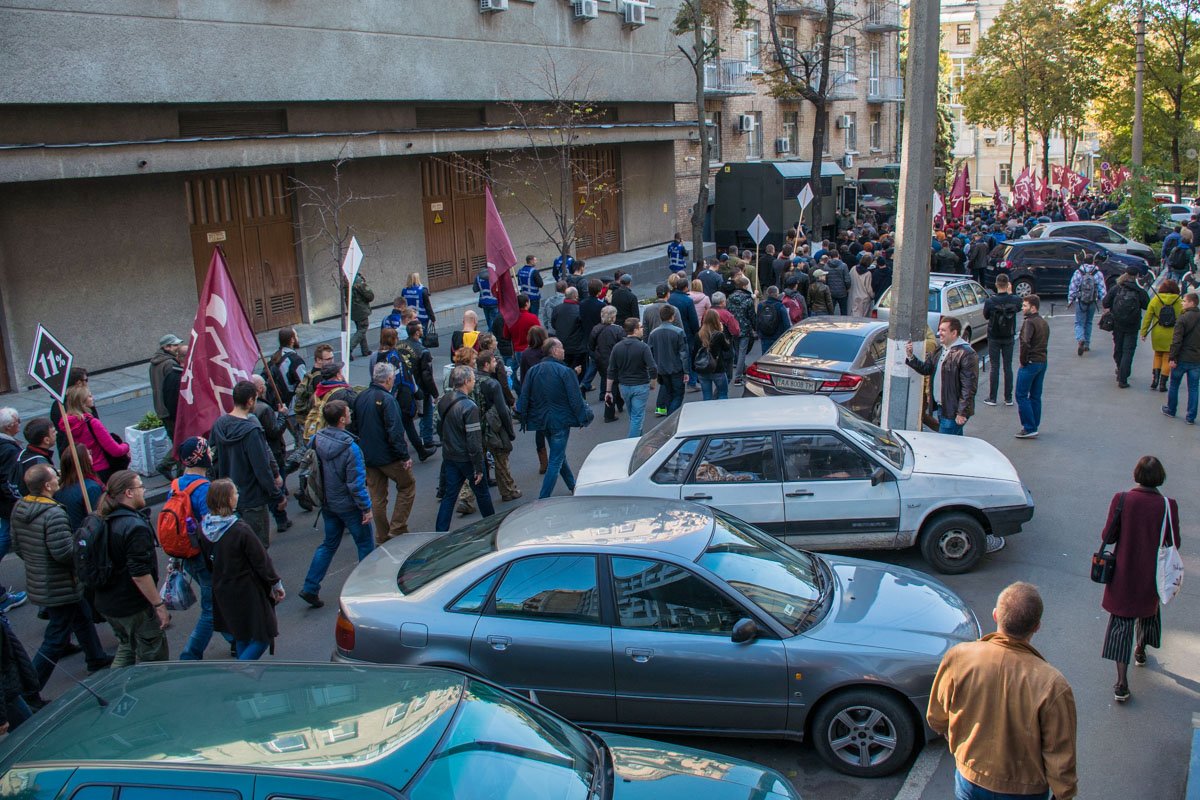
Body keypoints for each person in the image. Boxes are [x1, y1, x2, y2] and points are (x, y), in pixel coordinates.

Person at [927, 582, 1077, 800]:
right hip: (1025, 790)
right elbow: (1060, 751)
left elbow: (936, 717)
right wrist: (1064, 793)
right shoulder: (1052, 683)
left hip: (970, 778)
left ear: (996, 615)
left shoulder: (959, 657)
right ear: (1037, 626)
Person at [11, 464, 112, 686]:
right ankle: (31, 687)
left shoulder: (20, 507)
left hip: (42, 579)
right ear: (47, 485)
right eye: (54, 476)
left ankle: (96, 658)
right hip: (61, 583)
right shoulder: (53, 513)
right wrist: (83, 541)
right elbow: (64, 553)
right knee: (55, 638)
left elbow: (18, 546)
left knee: (82, 616)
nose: (58, 478)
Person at [1099, 456, 1180, 703]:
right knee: (1148, 612)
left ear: (1136, 475)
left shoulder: (1122, 499)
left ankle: (1121, 682)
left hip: (1124, 571)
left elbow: (1108, 536)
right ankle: (1141, 651)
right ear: (1160, 478)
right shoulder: (1168, 505)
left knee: (1121, 623)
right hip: (1152, 573)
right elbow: (1173, 541)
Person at [198, 479, 285, 661]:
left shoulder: (204, 528)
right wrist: (276, 584)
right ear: (228, 500)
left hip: (222, 588)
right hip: (247, 589)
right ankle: (241, 673)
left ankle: (249, 680)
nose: (238, 496)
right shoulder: (240, 529)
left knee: (241, 635)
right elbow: (261, 561)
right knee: (263, 636)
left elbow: (208, 562)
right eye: (234, 493)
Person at [299, 400, 374, 609]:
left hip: (327, 502)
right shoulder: (351, 449)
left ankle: (310, 586)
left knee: (329, 544)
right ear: (342, 419)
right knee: (365, 544)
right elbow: (356, 484)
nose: (350, 413)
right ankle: (367, 590)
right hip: (349, 505)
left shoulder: (316, 439)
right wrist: (366, 508)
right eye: (348, 412)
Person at [94, 471, 170, 666]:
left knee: (126, 646)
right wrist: (158, 604)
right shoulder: (134, 526)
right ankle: (147, 692)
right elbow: (140, 574)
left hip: (108, 601)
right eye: (140, 487)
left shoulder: (101, 518)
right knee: (153, 657)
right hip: (132, 604)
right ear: (129, 492)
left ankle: (115, 689)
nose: (143, 491)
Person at [170, 437, 227, 661]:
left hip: (187, 553)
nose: (211, 455)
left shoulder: (176, 485)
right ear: (201, 456)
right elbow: (212, 527)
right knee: (211, 609)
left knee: (216, 600)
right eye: (208, 452)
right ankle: (190, 656)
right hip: (204, 556)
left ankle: (234, 639)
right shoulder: (204, 489)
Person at [210, 380, 285, 549]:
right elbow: (261, 468)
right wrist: (277, 495)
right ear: (250, 401)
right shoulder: (252, 431)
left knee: (239, 549)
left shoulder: (219, 425)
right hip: (253, 500)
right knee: (257, 549)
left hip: (228, 498)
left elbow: (213, 461)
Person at [515, 338, 593, 499]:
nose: (564, 351)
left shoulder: (534, 371)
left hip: (542, 421)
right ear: (555, 350)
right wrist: (583, 418)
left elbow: (525, 395)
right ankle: (543, 498)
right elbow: (575, 398)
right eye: (562, 348)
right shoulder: (565, 372)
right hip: (560, 421)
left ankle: (573, 486)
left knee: (559, 456)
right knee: (556, 460)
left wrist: (521, 414)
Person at [353, 363, 415, 544]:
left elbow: (354, 427)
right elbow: (395, 430)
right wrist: (403, 455)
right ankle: (398, 528)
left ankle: (382, 535)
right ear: (388, 379)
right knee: (407, 485)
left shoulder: (361, 396)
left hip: (369, 457)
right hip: (388, 456)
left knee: (377, 496)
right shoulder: (387, 400)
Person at [436, 366, 496, 530]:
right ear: (467, 381)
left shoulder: (445, 400)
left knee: (449, 496)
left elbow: (439, 427)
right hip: (467, 458)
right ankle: (492, 527)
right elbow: (474, 440)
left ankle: (439, 532)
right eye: (473, 380)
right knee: (482, 493)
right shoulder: (470, 407)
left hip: (450, 455)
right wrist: (478, 467)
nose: (474, 382)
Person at [905, 316, 979, 438]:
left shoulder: (967, 354)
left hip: (953, 411)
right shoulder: (940, 349)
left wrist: (962, 412)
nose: (939, 333)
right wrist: (910, 357)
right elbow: (926, 369)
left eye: (943, 330)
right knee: (955, 442)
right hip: (943, 407)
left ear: (954, 333)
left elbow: (969, 387)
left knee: (944, 443)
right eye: (939, 330)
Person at [58, 384, 129, 484]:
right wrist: (126, 446)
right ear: (82, 402)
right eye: (89, 396)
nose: (92, 398)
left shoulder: (65, 424)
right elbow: (115, 451)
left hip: (80, 472)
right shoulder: (92, 423)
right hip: (101, 470)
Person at [250, 375, 292, 533]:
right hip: (273, 451)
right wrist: (283, 415)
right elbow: (274, 431)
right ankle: (281, 517)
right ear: (260, 388)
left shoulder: (256, 407)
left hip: (267, 451)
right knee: (277, 483)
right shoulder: (264, 409)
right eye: (263, 385)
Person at [607, 318, 657, 438]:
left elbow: (611, 370)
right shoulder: (643, 347)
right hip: (640, 385)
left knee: (633, 416)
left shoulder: (617, 347)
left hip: (624, 386)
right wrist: (653, 382)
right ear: (635, 330)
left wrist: (608, 391)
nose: (642, 329)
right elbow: (653, 367)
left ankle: (638, 438)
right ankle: (632, 443)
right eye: (640, 327)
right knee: (637, 417)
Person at [1102, 268, 1150, 388]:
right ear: (1137, 276)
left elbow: (1105, 302)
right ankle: (1123, 378)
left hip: (1117, 324)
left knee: (1118, 348)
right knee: (1128, 351)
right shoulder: (1139, 290)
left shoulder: (1117, 288)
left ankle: (1119, 368)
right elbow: (1146, 305)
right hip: (1133, 326)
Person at [148, 333, 186, 480]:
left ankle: (178, 472)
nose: (177, 348)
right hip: (170, 410)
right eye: (174, 345)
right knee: (181, 442)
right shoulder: (170, 364)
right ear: (166, 347)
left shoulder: (155, 363)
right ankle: (168, 465)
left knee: (178, 441)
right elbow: (173, 389)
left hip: (162, 409)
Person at [399, 320, 441, 450]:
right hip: (420, 388)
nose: (423, 331)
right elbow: (427, 375)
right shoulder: (423, 351)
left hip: (404, 386)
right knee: (426, 412)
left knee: (405, 416)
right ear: (417, 333)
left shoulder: (399, 346)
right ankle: (427, 439)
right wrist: (434, 393)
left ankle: (413, 439)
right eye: (421, 329)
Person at [981, 274, 1022, 406]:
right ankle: (1008, 398)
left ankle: (992, 397)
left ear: (996, 284)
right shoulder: (1015, 300)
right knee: (1008, 366)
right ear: (1008, 284)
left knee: (994, 366)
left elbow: (986, 315)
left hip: (994, 336)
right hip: (1008, 336)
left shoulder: (990, 301)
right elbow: (1019, 307)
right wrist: (1010, 293)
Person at [1014, 295, 1050, 440]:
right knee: (1035, 395)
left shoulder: (1029, 323)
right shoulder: (1043, 322)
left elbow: (1025, 343)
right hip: (1042, 361)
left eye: (1025, 306)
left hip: (1031, 363)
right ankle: (1034, 424)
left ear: (1032, 307)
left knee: (1021, 395)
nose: (1022, 308)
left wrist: (1023, 360)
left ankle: (1029, 427)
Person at [1163, 292, 1200, 422]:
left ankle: (1171, 410)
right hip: (1196, 359)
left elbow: (1177, 340)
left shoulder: (1182, 319)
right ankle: (1191, 416)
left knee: (1174, 385)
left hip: (1182, 358)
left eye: (1184, 301)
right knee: (1194, 388)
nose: (1182, 303)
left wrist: (1172, 358)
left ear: (1191, 302)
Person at [647, 305, 690, 416]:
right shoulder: (679, 332)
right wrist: (686, 371)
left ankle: (668, 412)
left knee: (669, 392)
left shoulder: (653, 333)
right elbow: (684, 353)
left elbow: (650, 353)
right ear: (672, 317)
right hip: (676, 368)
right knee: (678, 394)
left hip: (661, 368)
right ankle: (671, 416)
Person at [1141, 279, 1183, 391]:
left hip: (1158, 332)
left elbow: (1148, 317)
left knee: (1157, 355)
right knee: (1167, 357)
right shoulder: (1179, 301)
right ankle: (1163, 383)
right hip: (1173, 333)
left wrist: (1144, 332)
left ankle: (1155, 380)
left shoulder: (1155, 300)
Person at [54, 444, 103, 532]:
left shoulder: (59, 487)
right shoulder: (91, 488)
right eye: (89, 454)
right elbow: (98, 518)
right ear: (85, 461)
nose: (91, 456)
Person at [1067, 255, 1106, 356]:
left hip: (1080, 301)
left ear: (1083, 261)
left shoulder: (1078, 272)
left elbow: (1073, 287)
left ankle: (1080, 339)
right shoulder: (1098, 273)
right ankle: (1087, 344)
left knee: (1079, 322)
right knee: (1089, 322)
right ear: (1093, 261)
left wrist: (1070, 300)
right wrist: (1105, 304)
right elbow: (1102, 289)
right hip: (1093, 301)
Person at [50, 368, 92, 458]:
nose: (87, 384)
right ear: (78, 383)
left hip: (71, 452)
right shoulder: (67, 405)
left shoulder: (57, 405)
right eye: (86, 380)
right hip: (78, 453)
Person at [551, 286, 587, 382]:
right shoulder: (579, 309)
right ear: (575, 296)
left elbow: (553, 324)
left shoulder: (557, 309)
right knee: (579, 374)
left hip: (563, 346)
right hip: (578, 348)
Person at [695, 309, 732, 400]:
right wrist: (722, 331)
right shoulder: (719, 335)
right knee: (722, 393)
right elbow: (727, 348)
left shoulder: (699, 334)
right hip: (717, 368)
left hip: (702, 368)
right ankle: (721, 413)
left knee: (707, 395)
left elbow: (694, 352)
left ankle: (708, 413)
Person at [726, 276, 757, 386]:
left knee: (738, 351)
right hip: (744, 328)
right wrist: (755, 327)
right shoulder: (748, 300)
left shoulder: (729, 298)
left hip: (733, 328)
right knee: (742, 353)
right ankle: (738, 377)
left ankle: (742, 369)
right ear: (744, 286)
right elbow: (752, 316)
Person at [16, 418, 53, 498]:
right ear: (46, 440)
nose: (56, 433)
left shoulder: (22, 454)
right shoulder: (40, 464)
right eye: (53, 432)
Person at [347, 272, 375, 359]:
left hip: (353, 309)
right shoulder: (358, 280)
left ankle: (365, 350)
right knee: (362, 329)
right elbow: (370, 296)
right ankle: (348, 349)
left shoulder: (346, 280)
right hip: (361, 310)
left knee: (360, 329)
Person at [755, 286, 791, 354]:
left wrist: (759, 333)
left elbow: (757, 320)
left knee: (765, 355)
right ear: (776, 294)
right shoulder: (780, 306)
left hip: (764, 335)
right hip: (777, 336)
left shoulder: (761, 305)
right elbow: (786, 323)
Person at [472, 265, 499, 330]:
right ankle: (493, 334)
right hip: (494, 302)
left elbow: (475, 289)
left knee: (488, 319)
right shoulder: (495, 276)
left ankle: (490, 332)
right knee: (495, 320)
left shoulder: (478, 277)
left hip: (484, 302)